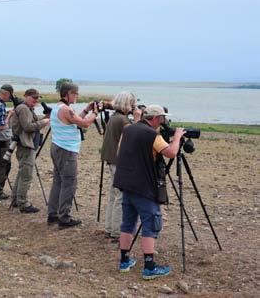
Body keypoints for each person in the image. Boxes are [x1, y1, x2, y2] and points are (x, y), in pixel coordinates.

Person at [114, 105, 185, 280]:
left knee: (127, 223)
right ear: (155, 118)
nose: (163, 122)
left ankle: (124, 261)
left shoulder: (128, 129)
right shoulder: (153, 135)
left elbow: (119, 152)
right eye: (161, 119)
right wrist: (177, 137)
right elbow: (171, 153)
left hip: (126, 184)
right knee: (150, 224)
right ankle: (149, 266)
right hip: (144, 187)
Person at [46, 83, 97, 228]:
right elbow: (85, 124)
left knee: (58, 181)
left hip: (58, 147)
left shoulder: (58, 108)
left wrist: (87, 110)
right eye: (75, 93)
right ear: (67, 93)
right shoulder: (66, 109)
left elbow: (75, 122)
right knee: (69, 183)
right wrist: (95, 113)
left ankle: (53, 214)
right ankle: (64, 217)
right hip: (66, 150)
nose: (77, 96)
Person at [100, 91, 141, 242]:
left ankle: (109, 228)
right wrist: (137, 120)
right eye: (132, 104)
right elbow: (135, 136)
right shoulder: (123, 120)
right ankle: (117, 231)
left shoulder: (114, 117)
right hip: (119, 162)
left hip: (111, 160)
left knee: (113, 195)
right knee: (120, 196)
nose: (133, 107)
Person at [10, 88, 50, 213]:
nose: (36, 100)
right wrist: (45, 121)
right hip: (25, 144)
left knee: (22, 173)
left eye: (37, 98)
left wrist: (44, 118)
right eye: (33, 97)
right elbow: (28, 127)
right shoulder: (23, 108)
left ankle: (16, 199)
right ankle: (23, 203)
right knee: (26, 175)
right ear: (26, 96)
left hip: (25, 144)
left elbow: (30, 123)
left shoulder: (26, 108)